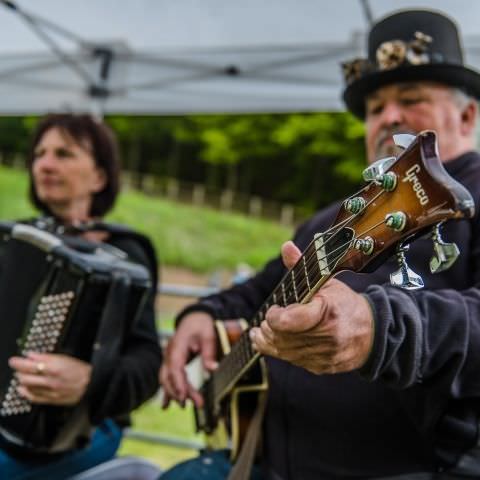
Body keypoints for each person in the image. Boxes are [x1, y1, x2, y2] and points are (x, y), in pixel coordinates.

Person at [160, 9, 480, 480]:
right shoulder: (337, 216)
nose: (389, 116)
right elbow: (261, 291)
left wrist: (378, 328)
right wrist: (201, 314)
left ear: (467, 115)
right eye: (375, 108)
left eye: (411, 99)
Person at [0, 114, 162, 480]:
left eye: (64, 153)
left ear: (100, 177)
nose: (45, 163)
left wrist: (92, 382)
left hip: (83, 427)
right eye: (39, 154)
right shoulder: (14, 240)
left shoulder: (125, 254)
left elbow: (148, 362)